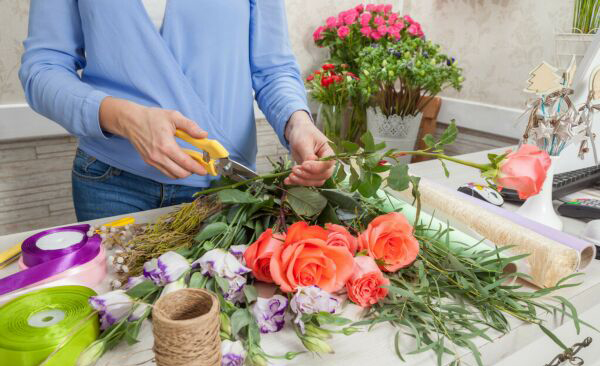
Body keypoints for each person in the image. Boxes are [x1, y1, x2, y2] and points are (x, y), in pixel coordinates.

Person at [19, 0, 334, 221]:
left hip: (223, 186)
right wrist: (125, 118)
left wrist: (298, 123)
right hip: (113, 184)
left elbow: (273, 68)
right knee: (117, 312)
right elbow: (43, 70)